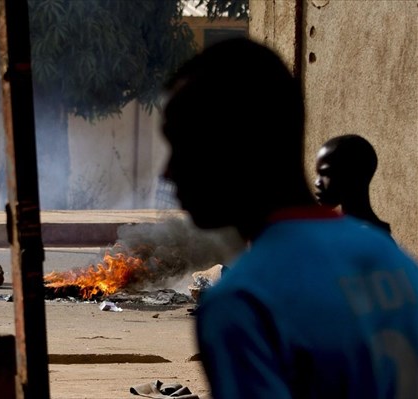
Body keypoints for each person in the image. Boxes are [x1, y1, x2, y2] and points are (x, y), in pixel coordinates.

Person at [161, 37, 418, 398]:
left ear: (232, 146)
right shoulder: (392, 260)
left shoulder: (244, 303)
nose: (167, 172)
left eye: (182, 145)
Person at [314, 134, 392, 235]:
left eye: (326, 173)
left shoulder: (367, 237)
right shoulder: (340, 230)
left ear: (354, 174)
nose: (317, 183)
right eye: (318, 174)